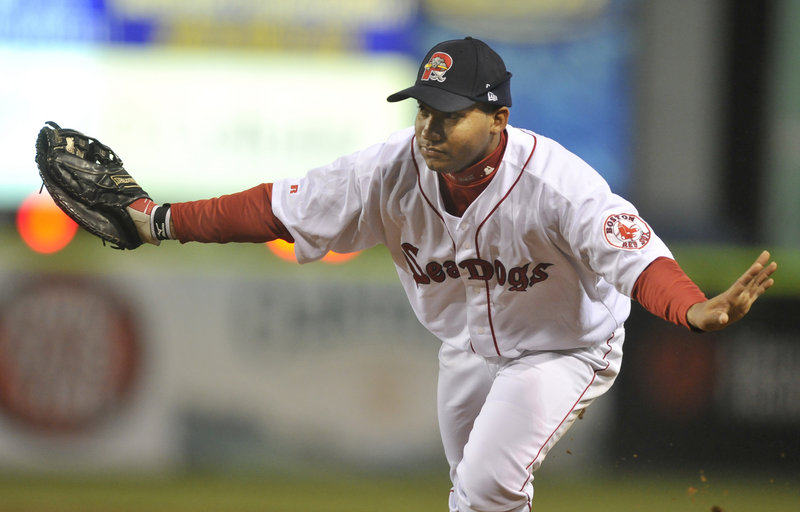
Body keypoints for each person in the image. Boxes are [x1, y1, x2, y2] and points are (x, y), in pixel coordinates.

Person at [126, 37, 777, 512]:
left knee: (487, 485)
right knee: (472, 498)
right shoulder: (388, 170)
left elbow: (637, 258)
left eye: (449, 111)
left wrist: (691, 309)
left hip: (565, 347)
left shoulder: (559, 184)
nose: (430, 126)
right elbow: (272, 208)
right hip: (467, 348)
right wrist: (157, 220)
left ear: (498, 118)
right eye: (423, 108)